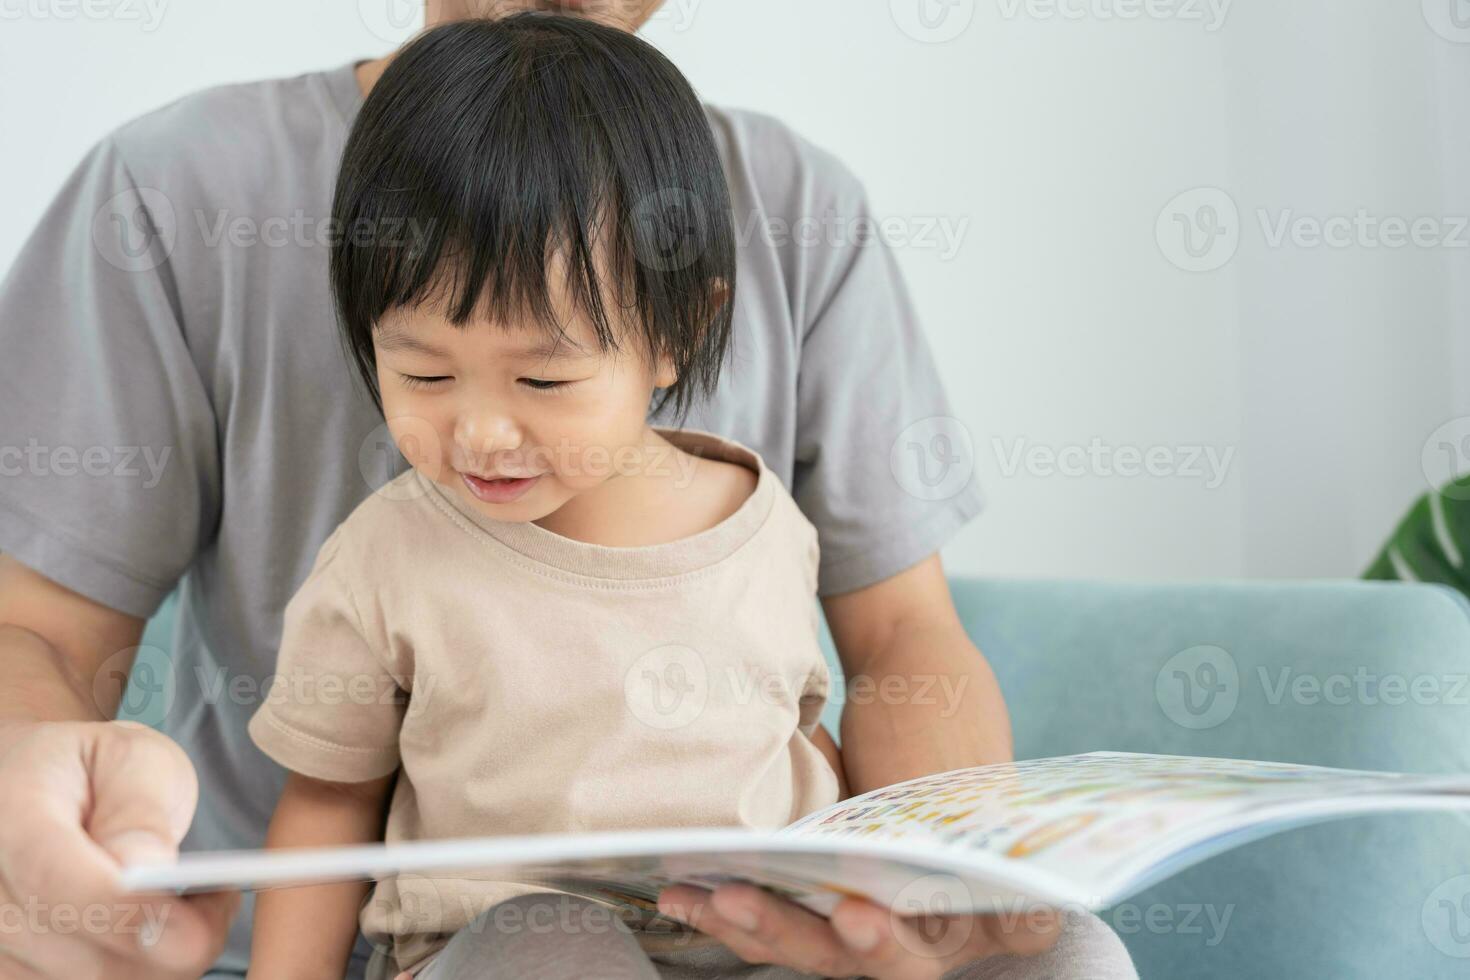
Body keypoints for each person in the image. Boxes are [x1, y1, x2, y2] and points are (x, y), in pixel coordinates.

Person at [0, 3, 1136, 979]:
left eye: (546, 373)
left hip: (763, 938)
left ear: (681, 334)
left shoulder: (797, 257)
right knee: (554, 942)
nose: (485, 427)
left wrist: (936, 898)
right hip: (432, 939)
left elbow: (897, 640)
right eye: (426, 371)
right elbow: (39, 633)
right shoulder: (175, 194)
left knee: (1063, 947)